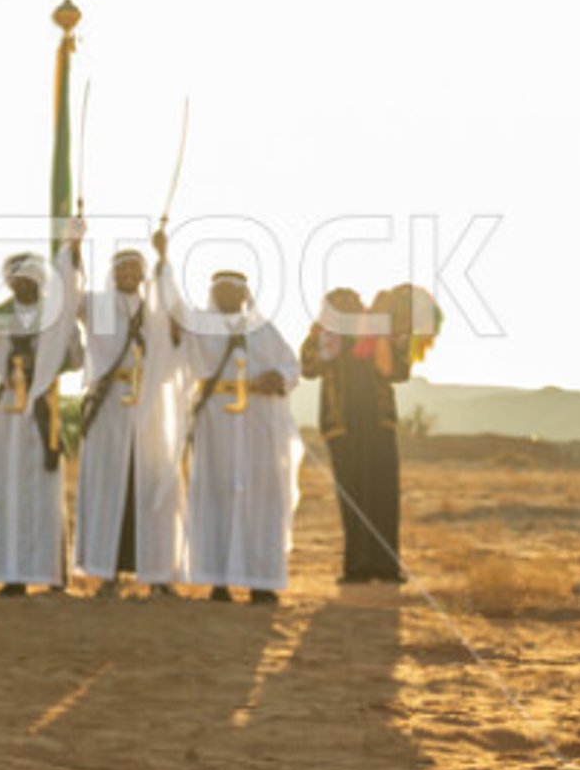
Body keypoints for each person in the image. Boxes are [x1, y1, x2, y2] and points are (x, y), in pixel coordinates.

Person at [161, 253, 302, 605]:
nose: (228, 296)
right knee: (217, 494)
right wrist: (164, 260)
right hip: (216, 424)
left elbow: (291, 366)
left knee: (261, 499)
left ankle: (261, 582)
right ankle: (218, 581)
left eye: (234, 291)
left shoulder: (264, 330)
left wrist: (278, 377)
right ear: (213, 294)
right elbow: (172, 307)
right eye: (221, 291)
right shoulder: (199, 327)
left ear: (244, 294)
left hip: (259, 425)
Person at [74, 232, 186, 597]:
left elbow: (178, 321)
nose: (128, 274)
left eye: (135, 268)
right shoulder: (97, 306)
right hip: (109, 410)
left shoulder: (154, 311)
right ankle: (106, 572)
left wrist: (164, 257)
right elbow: (66, 299)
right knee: (110, 487)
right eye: (122, 268)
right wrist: (72, 250)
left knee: (151, 485)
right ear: (113, 272)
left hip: (147, 410)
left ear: (142, 274)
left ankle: (157, 572)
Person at [0, 244, 85, 596]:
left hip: (43, 411)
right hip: (7, 411)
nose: (22, 286)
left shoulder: (55, 318)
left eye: (28, 280)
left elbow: (77, 358)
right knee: (4, 490)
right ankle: (10, 573)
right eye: (16, 280)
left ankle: (50, 573)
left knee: (44, 493)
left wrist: (48, 363)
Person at [301, 288, 410, 584]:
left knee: (383, 493)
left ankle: (386, 566)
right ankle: (357, 567)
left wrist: (383, 337)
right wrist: (326, 339)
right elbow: (308, 367)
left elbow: (399, 371)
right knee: (351, 495)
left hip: (378, 423)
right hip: (342, 426)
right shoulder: (322, 334)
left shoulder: (380, 330)